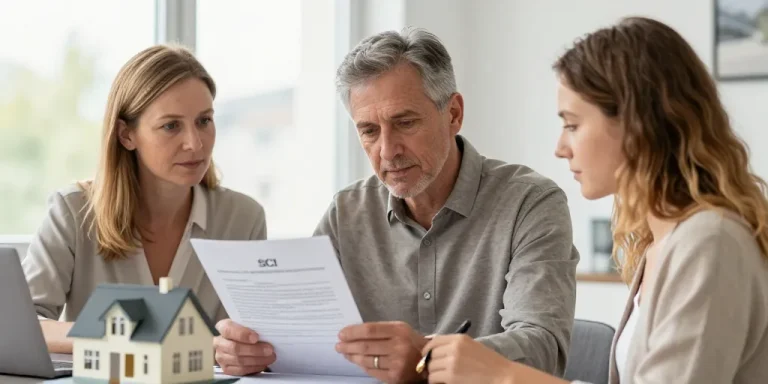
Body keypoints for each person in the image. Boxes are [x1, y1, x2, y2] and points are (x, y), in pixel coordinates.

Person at [213, 28, 579, 382]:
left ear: (453, 114)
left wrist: (425, 359)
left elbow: (543, 349)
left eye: (404, 123)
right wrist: (251, 350)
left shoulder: (529, 203)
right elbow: (297, 334)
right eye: (369, 131)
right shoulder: (347, 213)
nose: (387, 151)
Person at [420, 16, 768, 384]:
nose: (560, 148)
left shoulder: (709, 243)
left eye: (572, 124)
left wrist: (503, 374)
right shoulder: (661, 242)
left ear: (636, 125)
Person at [23, 45, 267, 354]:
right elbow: (24, 324)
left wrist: (247, 352)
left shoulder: (243, 218)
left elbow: (254, 339)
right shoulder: (72, 211)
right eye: (170, 126)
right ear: (126, 135)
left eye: (204, 121)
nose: (194, 143)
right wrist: (128, 336)